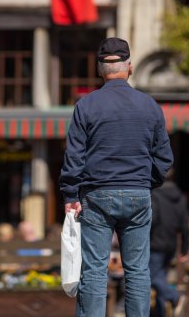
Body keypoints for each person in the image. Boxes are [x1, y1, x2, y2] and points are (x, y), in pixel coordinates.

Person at [59, 37, 174, 317]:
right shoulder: (150, 106)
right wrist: (148, 182)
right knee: (137, 269)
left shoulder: (86, 106)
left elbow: (74, 156)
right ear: (130, 68)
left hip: (96, 195)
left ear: (100, 69)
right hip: (137, 193)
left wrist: (71, 194)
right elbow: (165, 158)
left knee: (95, 270)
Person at [150, 168, 189, 317]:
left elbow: (153, 220)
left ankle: (175, 297)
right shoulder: (179, 197)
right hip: (171, 245)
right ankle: (161, 313)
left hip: (155, 243)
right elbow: (184, 226)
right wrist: (184, 249)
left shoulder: (155, 194)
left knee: (153, 278)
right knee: (161, 279)